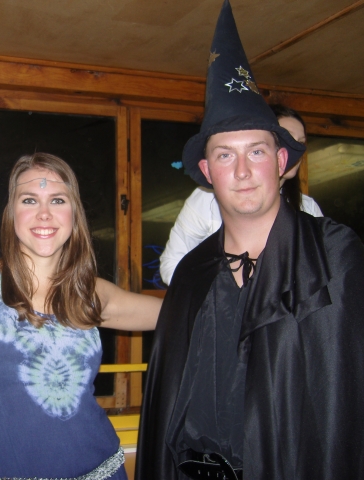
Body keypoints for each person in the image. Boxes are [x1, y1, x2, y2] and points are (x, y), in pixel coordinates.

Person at [136, 1, 364, 479]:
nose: (241, 171)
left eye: (256, 151)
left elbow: (342, 406)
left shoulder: (333, 256)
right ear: (207, 172)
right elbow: (167, 404)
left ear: (281, 162)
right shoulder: (192, 273)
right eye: (225, 155)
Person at [0, 152, 162, 479]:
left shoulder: (90, 293)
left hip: (104, 471)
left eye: (57, 200)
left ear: (74, 214)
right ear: (11, 213)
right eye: (29, 200)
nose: (44, 214)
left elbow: (183, 313)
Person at [159, 104, 323, 285]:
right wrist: (218, 295)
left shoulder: (308, 208)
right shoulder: (206, 199)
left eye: (300, 143)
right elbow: (172, 264)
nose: (296, 151)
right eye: (288, 139)